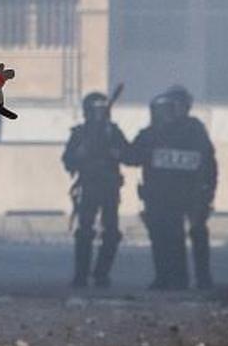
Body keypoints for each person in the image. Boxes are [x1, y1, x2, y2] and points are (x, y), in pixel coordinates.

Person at [125, 86, 218, 290]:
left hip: (189, 192)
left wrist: (208, 190)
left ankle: (201, 278)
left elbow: (208, 161)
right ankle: (166, 278)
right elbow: (131, 157)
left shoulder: (194, 130)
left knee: (197, 233)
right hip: (160, 194)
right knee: (161, 236)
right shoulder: (152, 133)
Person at [62, 92, 128, 288]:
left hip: (109, 187)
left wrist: (118, 153)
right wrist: (78, 155)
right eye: (94, 109)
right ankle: (81, 275)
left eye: (101, 109)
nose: (98, 113)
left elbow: (128, 153)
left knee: (111, 233)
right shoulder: (80, 133)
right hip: (89, 185)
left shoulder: (112, 131)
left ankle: (101, 274)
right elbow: (68, 160)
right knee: (84, 232)